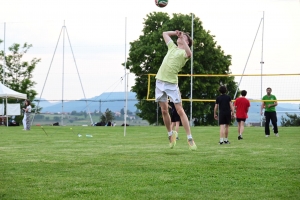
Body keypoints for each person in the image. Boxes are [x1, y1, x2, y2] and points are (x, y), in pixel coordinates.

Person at [155, 30, 196, 150]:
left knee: (180, 110)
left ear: (187, 41)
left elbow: (190, 54)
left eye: (184, 37)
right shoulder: (172, 47)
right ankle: (170, 135)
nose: (181, 37)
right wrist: (175, 32)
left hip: (171, 84)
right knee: (164, 110)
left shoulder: (184, 53)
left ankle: (190, 139)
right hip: (159, 81)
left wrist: (183, 38)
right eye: (181, 36)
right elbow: (164, 34)